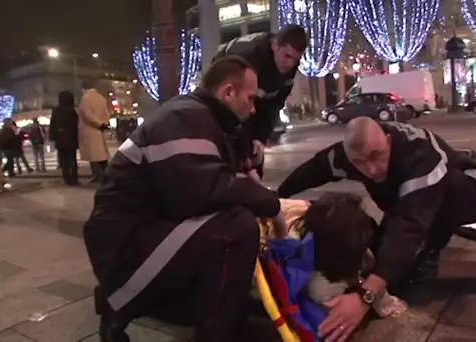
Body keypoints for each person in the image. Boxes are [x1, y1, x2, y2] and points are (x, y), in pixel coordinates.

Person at [83, 56, 282, 342]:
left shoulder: (203, 117)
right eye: (249, 99)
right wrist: (271, 203)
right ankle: (212, 332)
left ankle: (222, 312)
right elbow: (203, 189)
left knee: (235, 220)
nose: (252, 110)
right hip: (124, 244)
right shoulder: (186, 116)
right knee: (238, 228)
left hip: (147, 228)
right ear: (227, 92)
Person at [277, 117, 476, 341]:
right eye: (359, 162)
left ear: (388, 141)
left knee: (400, 262)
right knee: (382, 260)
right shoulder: (350, 155)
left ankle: (432, 247)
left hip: (459, 195)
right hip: (403, 199)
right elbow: (314, 169)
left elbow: (408, 228)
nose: (371, 168)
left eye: (376, 156)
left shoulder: (421, 159)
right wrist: (277, 198)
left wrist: (364, 296)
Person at [214, 24, 308, 177]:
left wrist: (260, 138)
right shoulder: (249, 59)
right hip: (224, 89)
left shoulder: (289, 67)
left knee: (256, 155)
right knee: (235, 154)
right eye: (287, 56)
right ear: (275, 45)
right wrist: (247, 150)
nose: (290, 64)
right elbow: (238, 106)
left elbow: (275, 103)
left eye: (295, 59)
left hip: (251, 95)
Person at [78, 79, 111, 183]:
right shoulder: (101, 98)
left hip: (90, 129)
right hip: (99, 130)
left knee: (93, 155)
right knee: (101, 154)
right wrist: (104, 123)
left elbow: (87, 114)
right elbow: (107, 113)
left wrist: (98, 123)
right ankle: (106, 174)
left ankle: (98, 175)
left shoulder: (85, 98)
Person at [50, 91, 80, 186]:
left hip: (60, 139)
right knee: (72, 159)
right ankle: (74, 178)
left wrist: (53, 137)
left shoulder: (56, 110)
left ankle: (67, 178)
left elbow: (53, 125)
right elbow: (76, 124)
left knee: (63, 161)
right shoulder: (71, 110)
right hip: (71, 138)